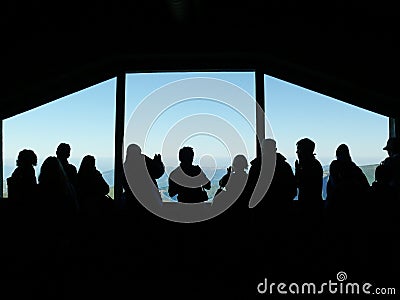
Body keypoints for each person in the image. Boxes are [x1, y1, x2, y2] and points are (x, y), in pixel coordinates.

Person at [326, 144, 370, 227]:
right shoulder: (354, 169)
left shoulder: (335, 166)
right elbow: (365, 186)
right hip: (353, 208)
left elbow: (335, 185)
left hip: (337, 207)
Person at [121, 144, 164, 214]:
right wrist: (159, 163)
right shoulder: (143, 160)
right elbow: (158, 173)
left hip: (131, 200)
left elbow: (123, 182)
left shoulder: (126, 165)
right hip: (150, 197)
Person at [294, 138, 323, 213]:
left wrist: (298, 171)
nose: (297, 152)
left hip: (308, 206)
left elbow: (300, 184)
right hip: (315, 205)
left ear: (305, 151)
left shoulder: (309, 166)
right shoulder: (315, 164)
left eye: (299, 149)